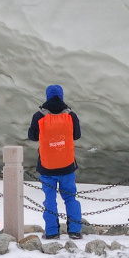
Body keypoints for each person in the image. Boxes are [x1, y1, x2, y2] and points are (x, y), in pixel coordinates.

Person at [27, 84, 83, 240]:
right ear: (61, 96)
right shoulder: (71, 115)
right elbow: (77, 135)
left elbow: (32, 136)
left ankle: (52, 232)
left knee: (50, 199)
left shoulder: (39, 116)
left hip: (47, 167)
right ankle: (74, 230)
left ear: (47, 96)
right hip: (67, 166)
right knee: (70, 197)